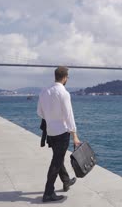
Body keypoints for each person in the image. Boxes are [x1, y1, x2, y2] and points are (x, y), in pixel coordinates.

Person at [37, 66, 81, 202]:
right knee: (56, 162)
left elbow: (39, 112)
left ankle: (66, 181)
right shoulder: (64, 93)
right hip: (62, 132)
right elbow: (69, 116)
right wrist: (74, 135)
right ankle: (48, 192)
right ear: (65, 77)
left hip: (50, 132)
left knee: (58, 157)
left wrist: (50, 119)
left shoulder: (44, 91)